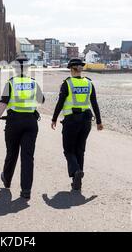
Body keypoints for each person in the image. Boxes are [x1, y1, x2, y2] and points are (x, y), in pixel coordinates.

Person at [0, 54, 45, 200]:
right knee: (27, 157)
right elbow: (42, 100)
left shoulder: (11, 83)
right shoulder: (33, 83)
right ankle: (26, 190)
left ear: (15, 69)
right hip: (30, 122)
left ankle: (7, 179)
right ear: (27, 69)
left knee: (12, 153)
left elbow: (3, 103)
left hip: (14, 122)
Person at [51, 58, 103, 191]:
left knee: (68, 150)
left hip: (72, 120)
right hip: (86, 121)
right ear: (80, 69)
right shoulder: (89, 83)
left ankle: (76, 171)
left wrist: (54, 118)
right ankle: (77, 182)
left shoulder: (67, 84)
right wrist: (99, 121)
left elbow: (60, 102)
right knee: (80, 150)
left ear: (71, 69)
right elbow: (94, 103)